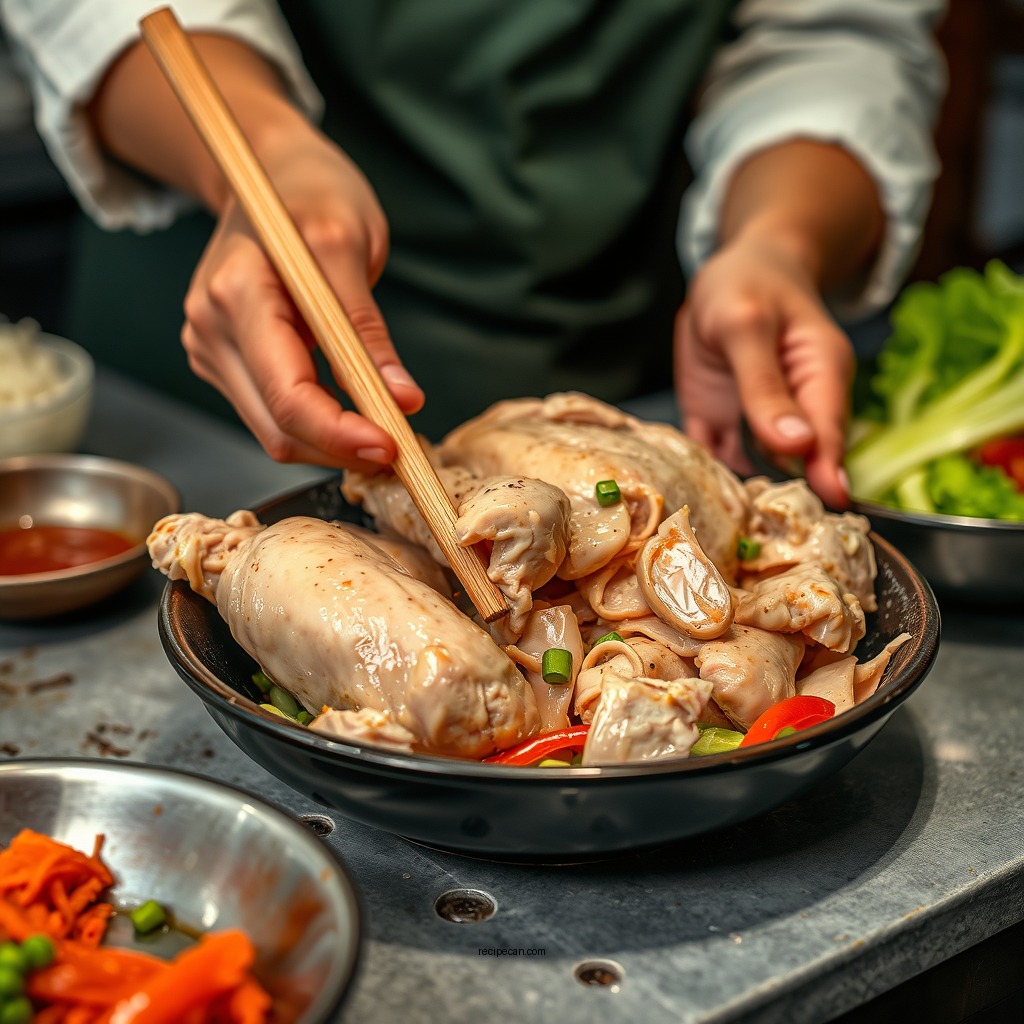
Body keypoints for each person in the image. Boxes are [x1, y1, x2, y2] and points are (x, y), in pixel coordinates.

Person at [1, 0, 946, 508]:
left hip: (612, 358)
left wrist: (776, 239)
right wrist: (267, 150)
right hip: (199, 405)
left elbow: (841, 33)